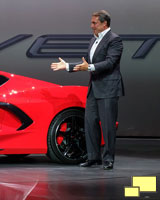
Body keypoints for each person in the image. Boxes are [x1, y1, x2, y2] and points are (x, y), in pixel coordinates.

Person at [50, 10, 124, 170]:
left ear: (104, 23)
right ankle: (93, 157)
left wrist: (89, 67)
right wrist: (68, 66)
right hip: (94, 88)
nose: (91, 26)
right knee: (90, 123)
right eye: (91, 22)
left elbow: (110, 63)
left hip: (108, 88)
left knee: (108, 126)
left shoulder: (115, 40)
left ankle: (108, 159)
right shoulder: (93, 40)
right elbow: (86, 62)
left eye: (94, 23)